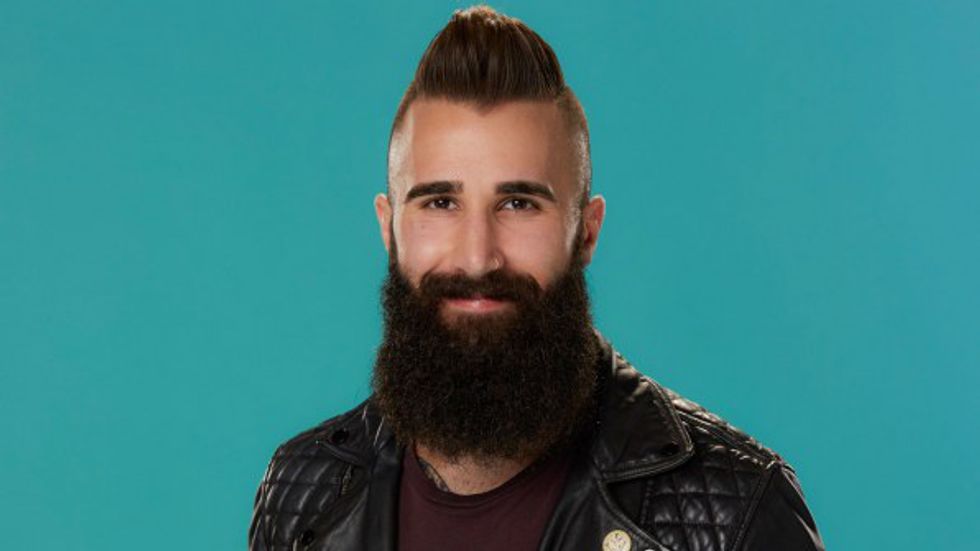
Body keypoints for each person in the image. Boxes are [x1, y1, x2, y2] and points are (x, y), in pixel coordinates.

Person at [248, 5, 824, 551]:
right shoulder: (303, 493)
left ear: (586, 231)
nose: (478, 258)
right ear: (389, 227)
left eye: (519, 204)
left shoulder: (737, 512)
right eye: (440, 203)